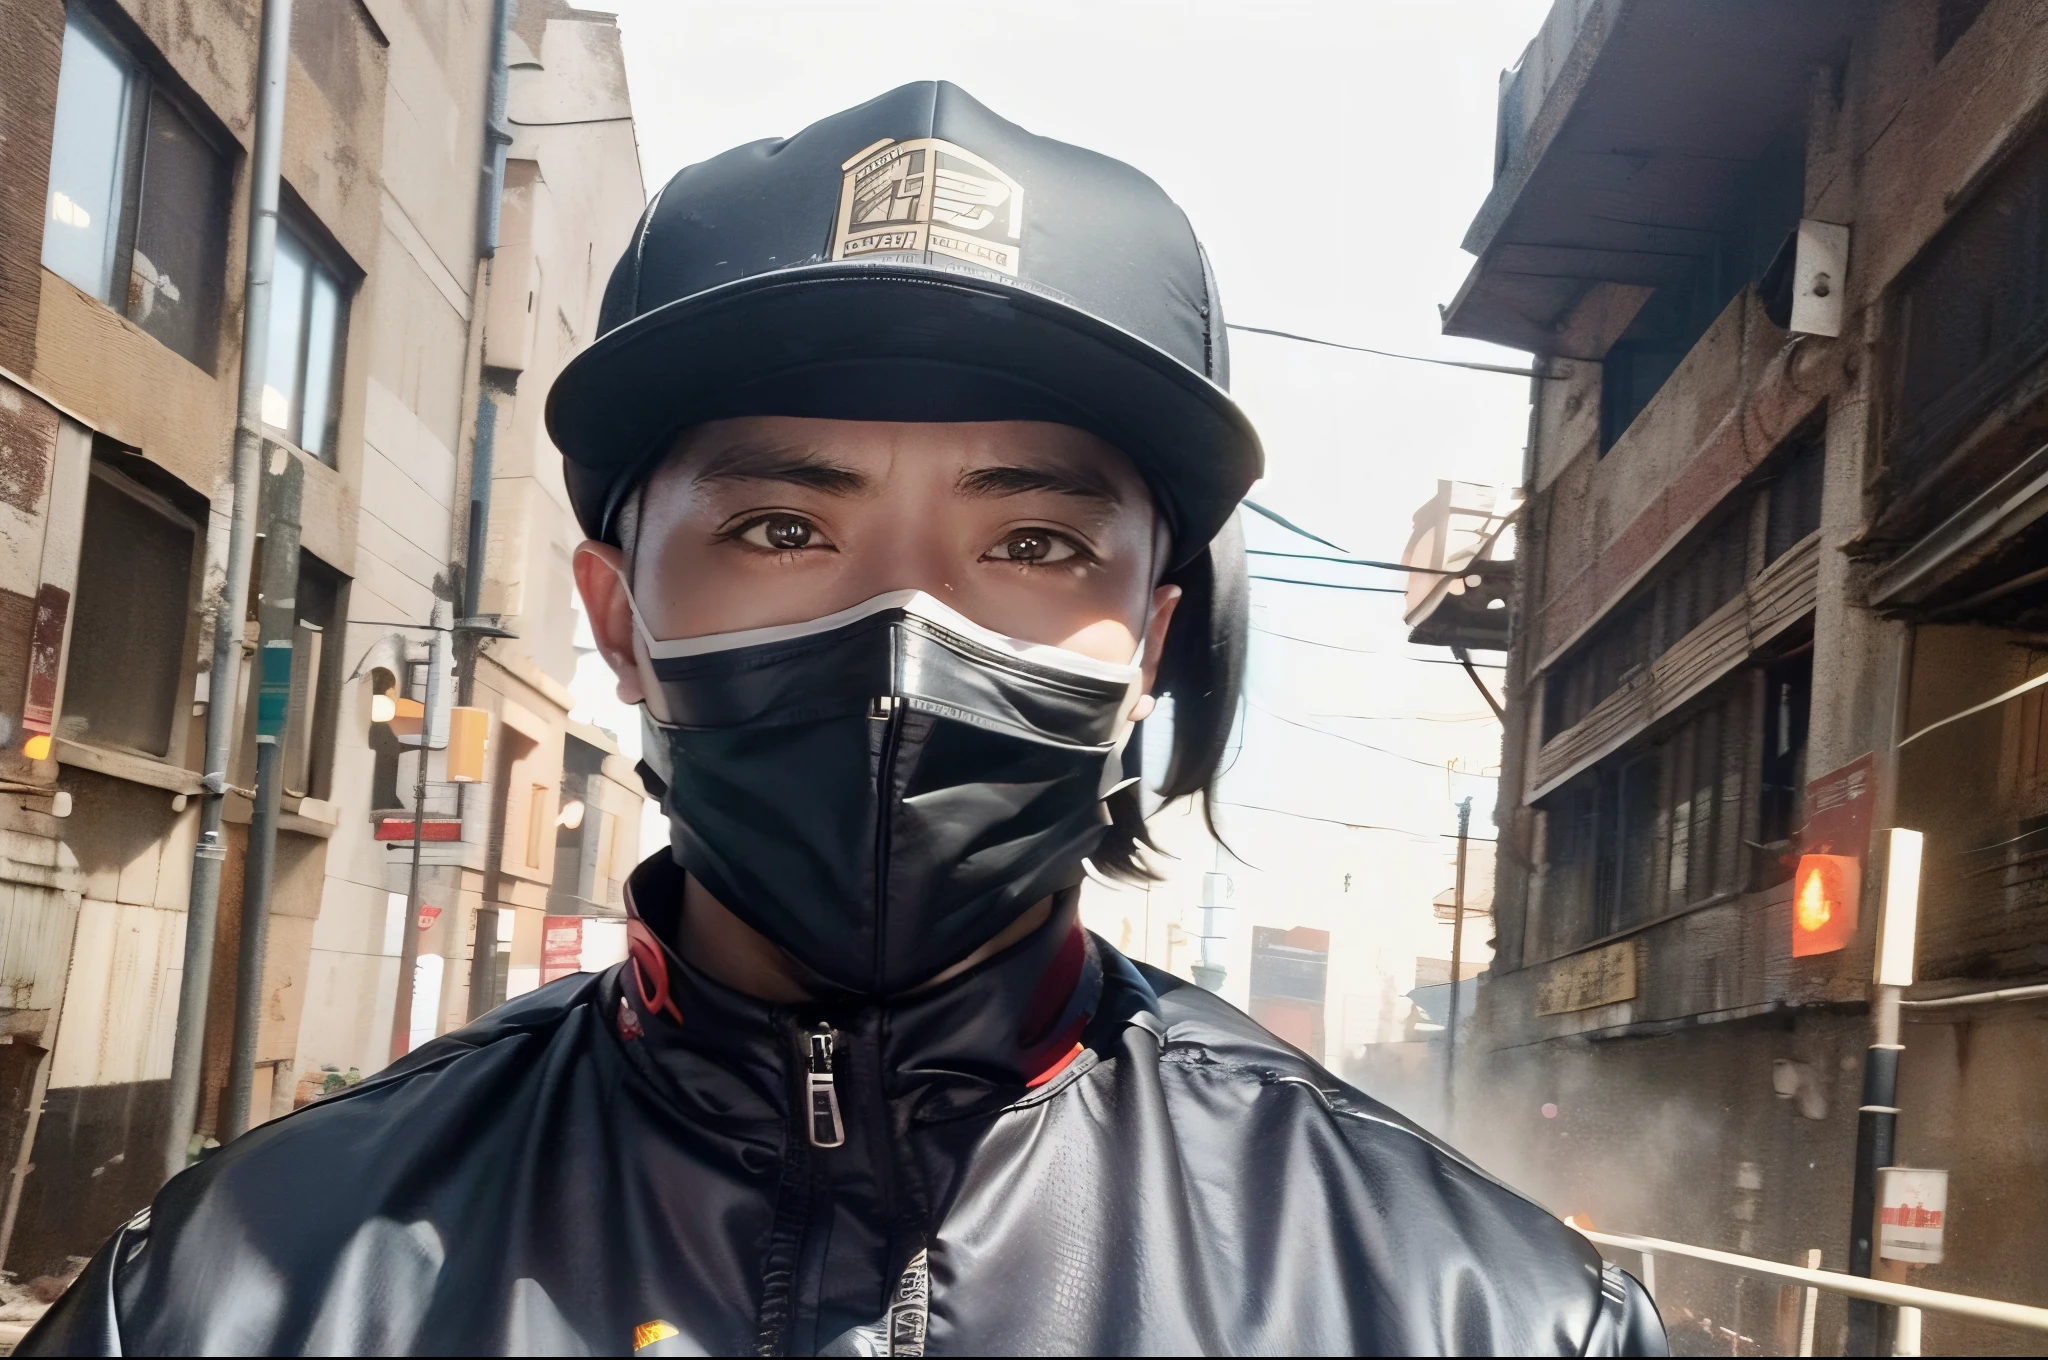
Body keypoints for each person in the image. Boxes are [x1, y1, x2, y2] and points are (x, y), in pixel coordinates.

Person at [20, 82, 1664, 1357]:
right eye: (783, 529)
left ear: (1147, 644)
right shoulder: (242, 1289)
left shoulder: (1484, 1312)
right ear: (619, 621)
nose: (905, 635)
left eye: (1032, 543)